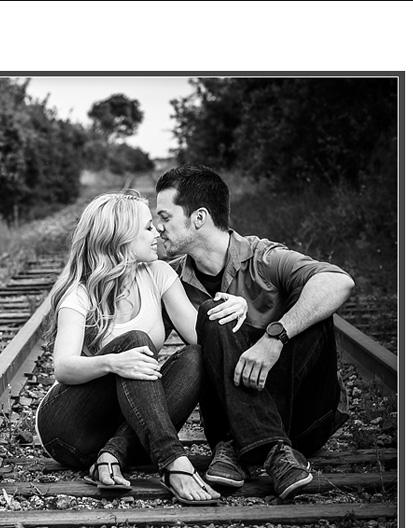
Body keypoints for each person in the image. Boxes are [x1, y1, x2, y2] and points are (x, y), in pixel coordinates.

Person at [153, 164, 354, 500]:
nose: (156, 228)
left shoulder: (264, 258)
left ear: (198, 218)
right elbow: (131, 331)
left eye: (164, 216)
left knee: (312, 310)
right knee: (213, 315)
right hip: (234, 434)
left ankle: (242, 442)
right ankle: (272, 449)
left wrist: (274, 337)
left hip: (302, 421)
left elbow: (339, 281)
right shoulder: (172, 281)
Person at [34, 191, 248, 505]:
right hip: (68, 428)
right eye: (147, 228)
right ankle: (173, 460)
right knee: (136, 342)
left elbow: (200, 338)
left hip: (125, 428)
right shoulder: (80, 293)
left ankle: (113, 455)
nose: (157, 233)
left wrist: (236, 305)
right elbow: (63, 367)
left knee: (196, 357)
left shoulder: (158, 275)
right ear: (121, 237)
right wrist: (113, 363)